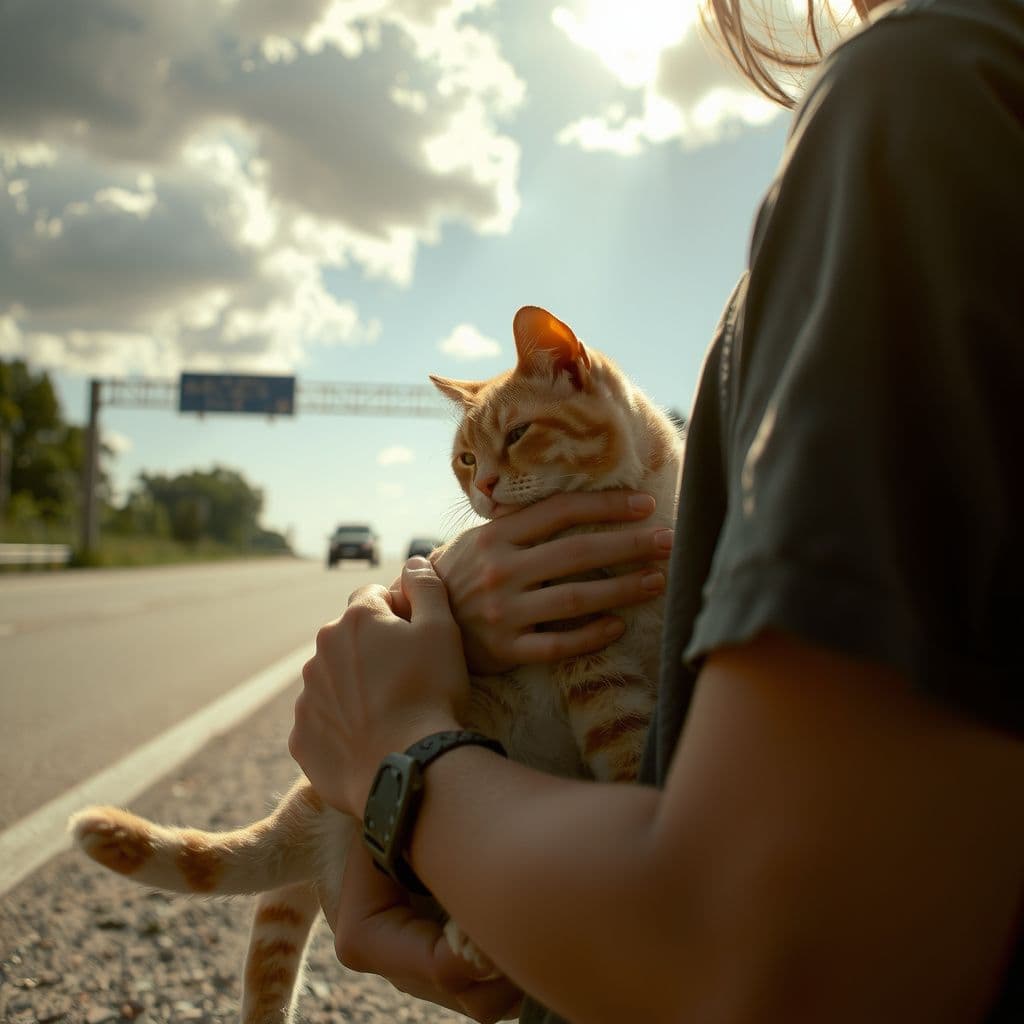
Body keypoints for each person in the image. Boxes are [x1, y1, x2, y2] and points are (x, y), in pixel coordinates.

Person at [289, 0, 1024, 1018]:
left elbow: (761, 960)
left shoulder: (924, 96)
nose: (488, 483)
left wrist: (399, 763)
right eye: (473, 471)